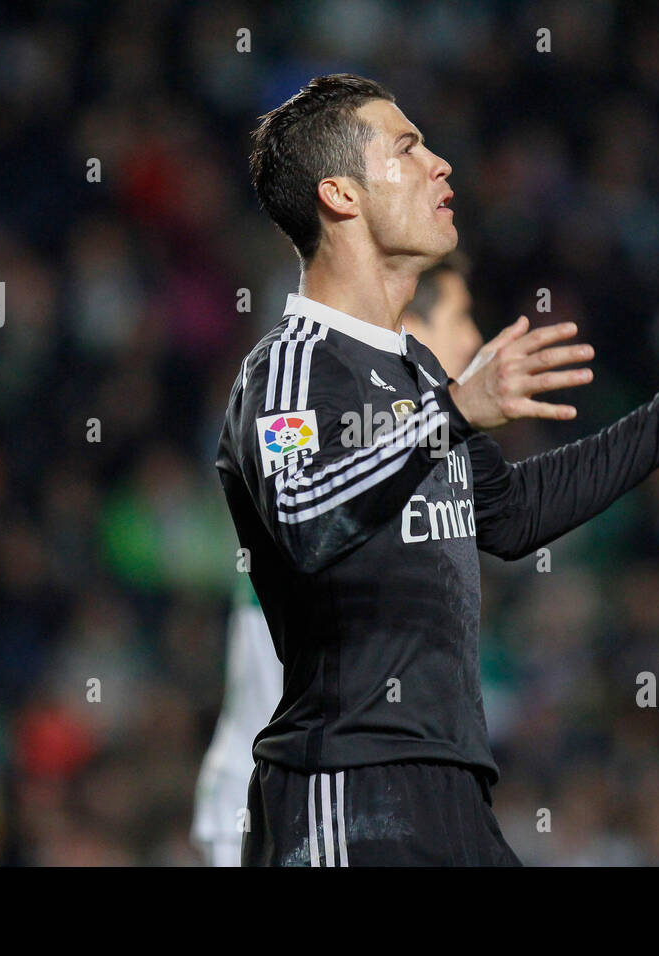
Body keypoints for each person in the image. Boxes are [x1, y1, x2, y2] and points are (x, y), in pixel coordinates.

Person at [217, 74, 659, 866]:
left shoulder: (417, 372)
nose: (441, 164)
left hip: (454, 787)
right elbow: (301, 511)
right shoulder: (294, 366)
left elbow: (508, 516)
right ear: (340, 195)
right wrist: (454, 412)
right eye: (408, 148)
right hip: (346, 785)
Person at [192, 254, 484, 865]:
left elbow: (515, 514)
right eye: (463, 317)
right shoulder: (286, 384)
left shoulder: (421, 453)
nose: (475, 339)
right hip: (301, 807)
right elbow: (299, 524)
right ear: (411, 325)